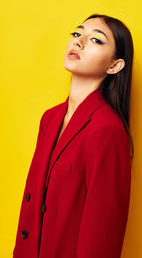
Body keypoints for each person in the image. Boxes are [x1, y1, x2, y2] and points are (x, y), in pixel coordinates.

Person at [13, 13, 134, 258]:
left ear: (114, 65)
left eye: (96, 40)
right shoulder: (50, 118)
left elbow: (102, 235)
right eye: (77, 34)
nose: (78, 42)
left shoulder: (107, 130)